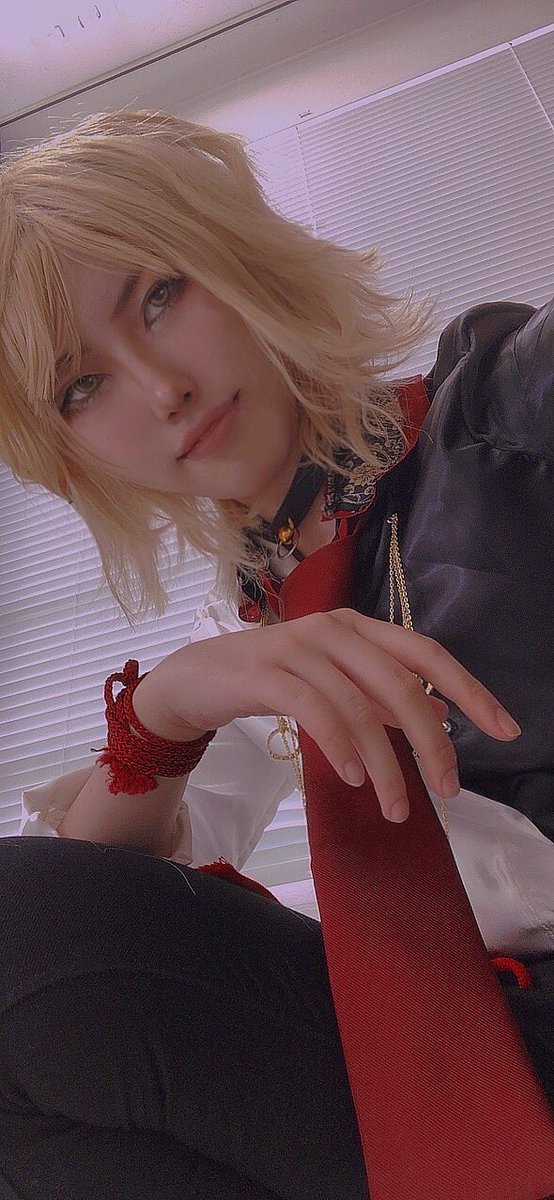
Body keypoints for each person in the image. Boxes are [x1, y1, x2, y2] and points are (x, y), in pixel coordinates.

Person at [0, 108, 552, 1199]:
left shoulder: (503, 407)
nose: (161, 388)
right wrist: (163, 710)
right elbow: (87, 902)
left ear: (238, 254)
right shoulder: (245, 641)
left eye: (161, 296)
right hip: (471, 1049)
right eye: (82, 386)